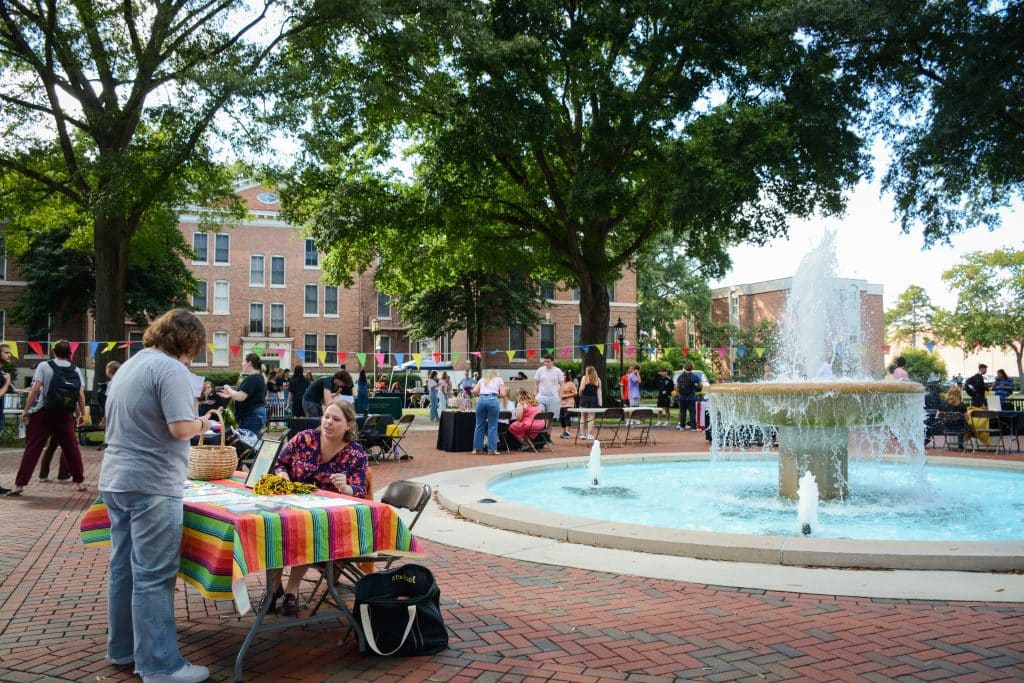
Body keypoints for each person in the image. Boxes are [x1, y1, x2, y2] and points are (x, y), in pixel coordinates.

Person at [96, 308, 212, 682]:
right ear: (188, 341)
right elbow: (180, 428)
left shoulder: (130, 366)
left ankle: (123, 649)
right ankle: (160, 664)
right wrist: (204, 422)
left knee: (123, 569)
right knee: (153, 576)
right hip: (152, 482)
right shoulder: (172, 370)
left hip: (116, 478)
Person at [270, 399, 368, 616]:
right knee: (272, 527)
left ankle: (291, 590)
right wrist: (284, 477)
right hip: (292, 505)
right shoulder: (304, 438)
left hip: (328, 520)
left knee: (306, 530)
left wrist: (346, 487)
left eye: (336, 419)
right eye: (326, 417)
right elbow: (281, 463)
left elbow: (360, 489)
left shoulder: (355, 453)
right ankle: (274, 586)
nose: (329, 422)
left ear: (348, 425)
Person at [5, 340, 87, 496]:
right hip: (66, 414)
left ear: (53, 351)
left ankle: (20, 484)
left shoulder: (44, 366)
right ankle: (79, 481)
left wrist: (26, 410)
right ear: (70, 352)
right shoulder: (75, 369)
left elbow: (35, 390)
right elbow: (80, 395)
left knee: (33, 447)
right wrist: (82, 414)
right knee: (71, 448)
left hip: (44, 412)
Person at [218, 353, 267, 434]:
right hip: (254, 415)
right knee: (249, 443)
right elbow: (249, 396)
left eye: (244, 361)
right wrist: (230, 394)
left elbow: (241, 397)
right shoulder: (258, 377)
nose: (242, 363)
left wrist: (228, 388)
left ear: (249, 363)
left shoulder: (253, 378)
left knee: (246, 443)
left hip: (252, 416)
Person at [472, 369, 506, 454]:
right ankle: (492, 449)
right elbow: (503, 394)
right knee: (492, 426)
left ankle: (477, 449)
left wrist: (481, 395)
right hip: (493, 400)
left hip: (481, 400)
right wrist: (497, 395)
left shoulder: (482, 379)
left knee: (479, 425)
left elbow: (474, 391)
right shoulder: (499, 379)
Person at [578, 365, 601, 441]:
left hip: (585, 398)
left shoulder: (584, 378)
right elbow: (599, 391)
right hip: (593, 399)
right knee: (591, 417)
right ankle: (589, 434)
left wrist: (580, 394)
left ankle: (582, 434)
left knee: (583, 417)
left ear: (587, 371)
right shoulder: (598, 379)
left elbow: (582, 388)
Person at [676, 363, 702, 431]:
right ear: (692, 368)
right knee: (692, 412)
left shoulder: (680, 376)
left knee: (682, 412)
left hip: (682, 397)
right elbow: (700, 385)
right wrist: (697, 388)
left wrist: (678, 393)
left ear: (684, 368)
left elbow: (677, 385)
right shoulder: (694, 376)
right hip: (691, 397)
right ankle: (693, 427)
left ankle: (682, 426)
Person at [558, 371, 577, 438]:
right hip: (561, 403)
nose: (563, 377)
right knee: (562, 417)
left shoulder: (570, 384)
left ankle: (567, 432)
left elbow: (575, 393)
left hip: (569, 403)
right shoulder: (560, 384)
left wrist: (566, 396)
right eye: (562, 375)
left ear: (567, 376)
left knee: (567, 416)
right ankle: (564, 432)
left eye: (564, 375)